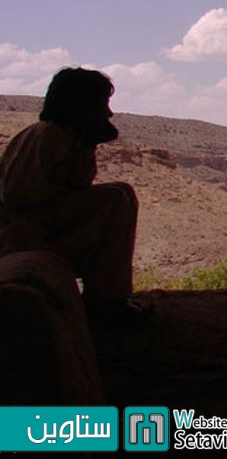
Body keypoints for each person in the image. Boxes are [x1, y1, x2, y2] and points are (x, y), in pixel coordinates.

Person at [0, 67, 149, 322]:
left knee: (121, 193)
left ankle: (108, 295)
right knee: (114, 200)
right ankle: (105, 300)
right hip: (20, 234)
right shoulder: (47, 135)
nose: (109, 113)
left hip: (41, 227)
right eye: (102, 105)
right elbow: (18, 195)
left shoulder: (70, 138)